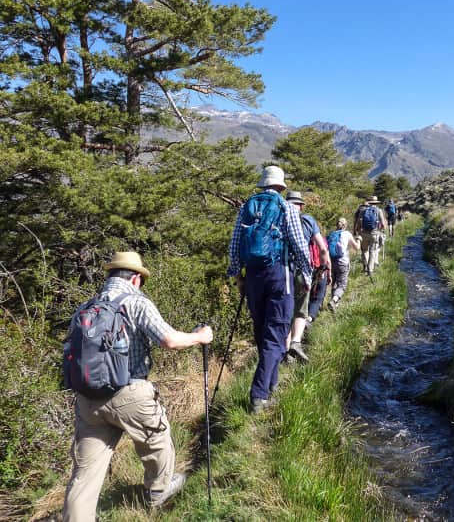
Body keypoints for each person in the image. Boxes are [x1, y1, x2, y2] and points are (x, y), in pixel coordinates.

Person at [62, 251, 214, 520]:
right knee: (157, 440)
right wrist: (200, 337)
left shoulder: (85, 307)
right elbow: (168, 340)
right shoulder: (135, 302)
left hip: (88, 399)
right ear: (135, 279)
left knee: (85, 473)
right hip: (129, 392)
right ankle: (159, 490)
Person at [226, 165, 312, 413]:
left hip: (253, 276)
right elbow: (298, 244)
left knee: (262, 332)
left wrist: (236, 274)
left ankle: (271, 386)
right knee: (276, 334)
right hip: (279, 275)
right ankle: (259, 395)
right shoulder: (286, 207)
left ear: (263, 185)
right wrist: (306, 274)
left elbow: (235, 244)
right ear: (281, 186)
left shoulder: (247, 207)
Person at [285, 191, 331, 362]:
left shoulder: (279, 218)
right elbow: (323, 248)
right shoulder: (308, 220)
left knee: (285, 312)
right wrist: (325, 267)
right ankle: (296, 343)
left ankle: (285, 354)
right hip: (302, 271)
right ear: (301, 206)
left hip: (281, 270)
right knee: (300, 309)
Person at [327, 217, 361, 312]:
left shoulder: (331, 234)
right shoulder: (347, 234)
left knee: (334, 283)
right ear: (345, 225)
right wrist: (358, 239)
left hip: (331, 262)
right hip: (342, 263)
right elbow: (357, 248)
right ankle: (334, 301)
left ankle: (335, 306)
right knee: (342, 285)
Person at [353, 195, 387, 276]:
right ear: (376, 203)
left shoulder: (363, 210)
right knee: (372, 251)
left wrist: (357, 231)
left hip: (363, 233)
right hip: (374, 234)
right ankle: (370, 270)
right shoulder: (379, 211)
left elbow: (358, 222)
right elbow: (383, 224)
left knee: (364, 250)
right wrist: (381, 229)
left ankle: (365, 266)